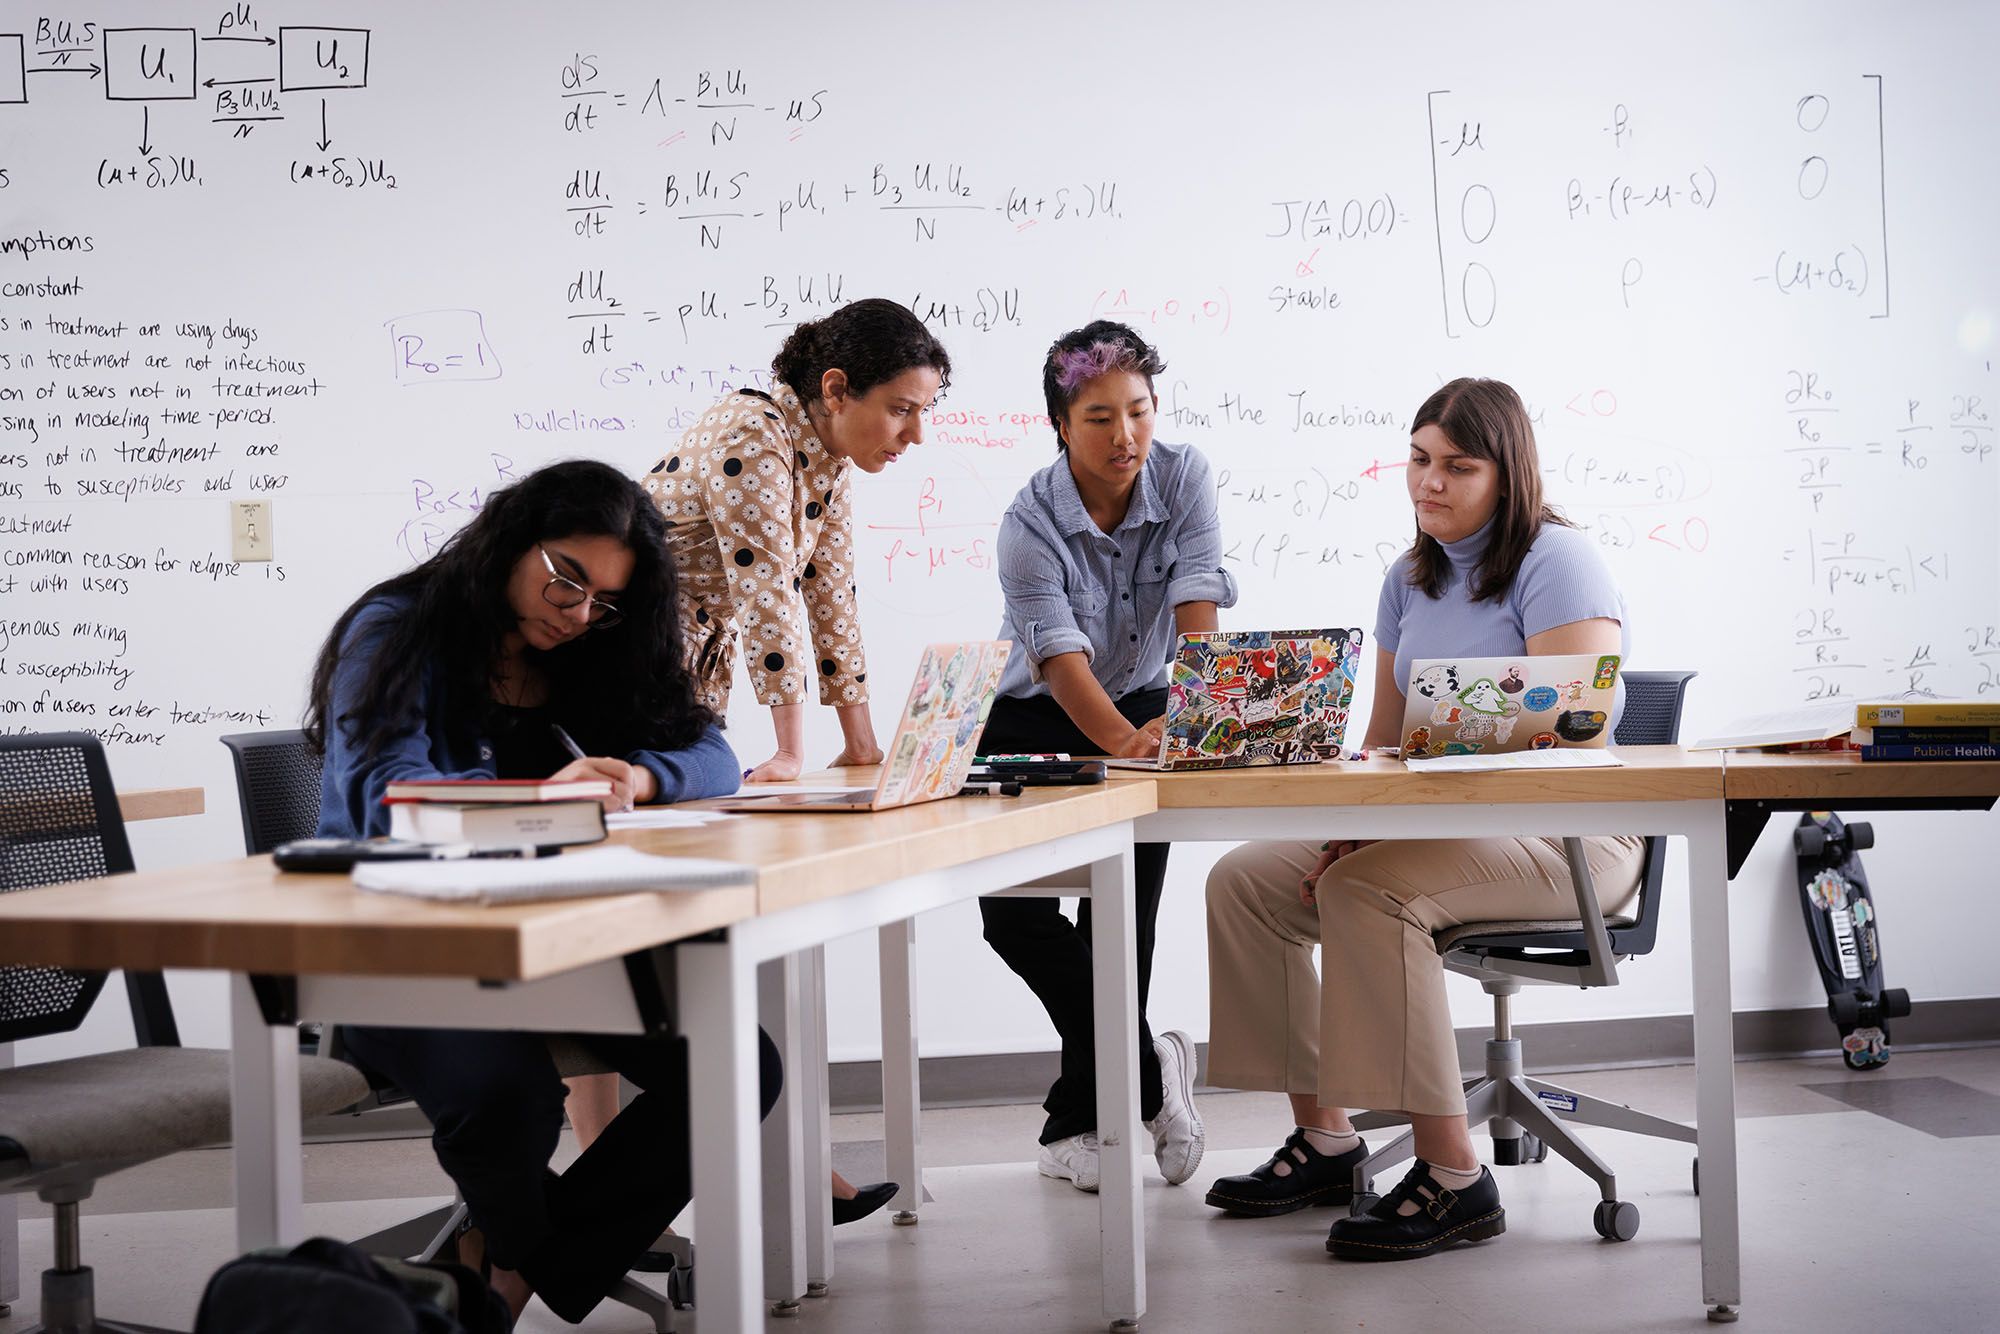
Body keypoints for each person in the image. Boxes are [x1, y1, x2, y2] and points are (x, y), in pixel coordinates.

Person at [306, 459, 778, 1322]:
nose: (577, 611)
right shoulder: (398, 627)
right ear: (509, 541)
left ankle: (509, 1268)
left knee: (736, 1062)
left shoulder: (596, 649)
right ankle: (512, 1268)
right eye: (565, 578)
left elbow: (713, 756)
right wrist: (538, 803)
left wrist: (636, 777)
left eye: (602, 598)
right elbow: (387, 792)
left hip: (554, 946)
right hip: (401, 948)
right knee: (506, 1094)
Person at [1200, 377, 1641, 1260]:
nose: (1427, 482)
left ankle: (1454, 1179)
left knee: (1367, 893)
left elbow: (1576, 730)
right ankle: (1327, 1141)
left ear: (1506, 476)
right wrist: (1346, 833)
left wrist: (1370, 852)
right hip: (1444, 835)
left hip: (1574, 836)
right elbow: (1384, 745)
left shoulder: (1559, 561)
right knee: (1247, 880)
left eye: (1457, 466)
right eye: (1418, 459)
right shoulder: (1409, 578)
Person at [979, 320, 1237, 1191]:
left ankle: (1078, 1118)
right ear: (1060, 422)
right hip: (1033, 717)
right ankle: (1149, 1069)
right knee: (1009, 918)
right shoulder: (1028, 524)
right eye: (1099, 417)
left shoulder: (1185, 475)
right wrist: (1128, 746)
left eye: (1139, 411)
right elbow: (1058, 660)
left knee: (1121, 917)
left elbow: (1199, 595)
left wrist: (1193, 719)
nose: (1125, 436)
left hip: (1154, 700)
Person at [641, 297, 952, 782]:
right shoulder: (753, 433)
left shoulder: (829, 457)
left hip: (685, 659)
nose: (916, 433)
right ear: (836, 390)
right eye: (901, 409)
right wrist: (790, 752)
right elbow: (763, 592)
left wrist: (861, 744)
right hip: (635, 649)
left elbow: (832, 597)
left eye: (923, 411)